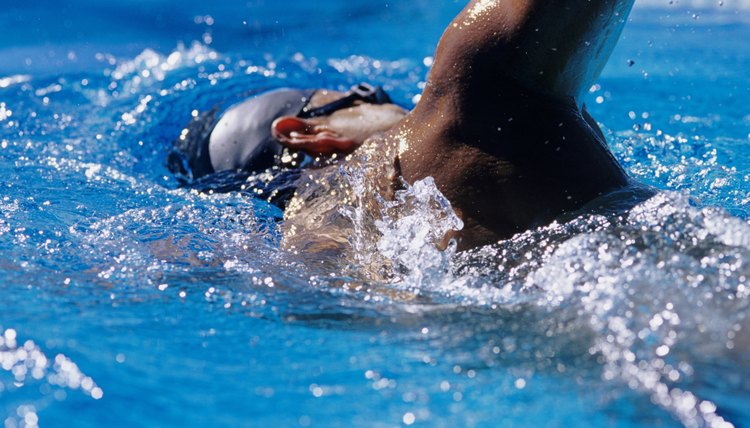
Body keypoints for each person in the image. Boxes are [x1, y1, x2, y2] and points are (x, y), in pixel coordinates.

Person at [171, 0, 637, 251]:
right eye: (362, 95)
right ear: (307, 134)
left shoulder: (309, 261)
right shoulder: (466, 97)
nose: (386, 98)